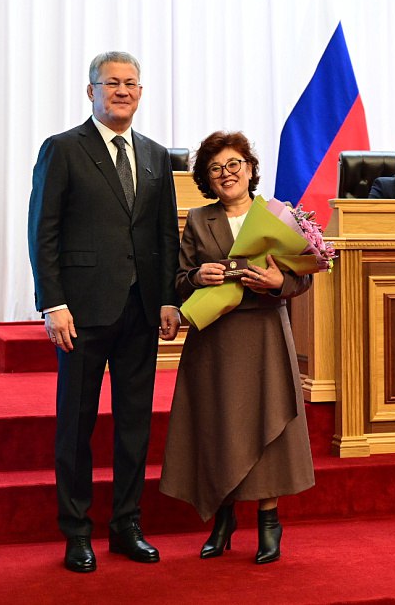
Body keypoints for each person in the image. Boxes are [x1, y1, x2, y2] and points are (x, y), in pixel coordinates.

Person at [27, 51, 181, 574]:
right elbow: (43, 231)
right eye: (111, 82)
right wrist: (53, 303)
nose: (122, 91)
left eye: (130, 83)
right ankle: (76, 531)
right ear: (90, 90)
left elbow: (164, 235)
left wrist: (168, 298)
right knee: (76, 424)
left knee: (134, 425)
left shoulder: (156, 155)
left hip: (141, 311)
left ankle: (126, 525)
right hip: (81, 312)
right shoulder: (63, 148)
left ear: (141, 92)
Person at [159, 131, 315, 565]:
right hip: (214, 339)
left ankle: (269, 523)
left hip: (264, 333)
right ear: (206, 180)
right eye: (215, 169)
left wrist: (279, 282)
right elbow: (179, 278)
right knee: (219, 425)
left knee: (268, 423)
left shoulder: (278, 215)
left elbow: (304, 275)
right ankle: (222, 519)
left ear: (249, 169)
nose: (226, 174)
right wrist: (197, 277)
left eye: (234, 164)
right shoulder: (197, 219)